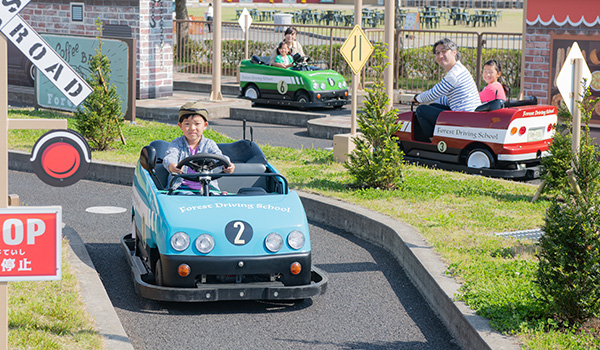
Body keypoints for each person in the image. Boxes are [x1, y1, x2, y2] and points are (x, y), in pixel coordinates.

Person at [411, 38, 481, 142]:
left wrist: (418, 98)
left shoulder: (454, 75)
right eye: (437, 53)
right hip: (468, 115)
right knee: (432, 107)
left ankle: (433, 143)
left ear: (454, 52)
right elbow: (446, 98)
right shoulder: (460, 69)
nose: (440, 56)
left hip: (463, 117)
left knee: (421, 110)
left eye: (444, 51)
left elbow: (434, 93)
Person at [163, 102, 235, 194]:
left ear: (205, 125)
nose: (192, 128)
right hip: (182, 188)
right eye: (187, 124)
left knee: (218, 196)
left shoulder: (209, 144)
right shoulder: (176, 144)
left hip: (208, 187)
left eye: (197, 124)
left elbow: (219, 156)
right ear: (180, 126)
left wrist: (228, 165)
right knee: (187, 196)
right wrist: (172, 166)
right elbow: (171, 156)